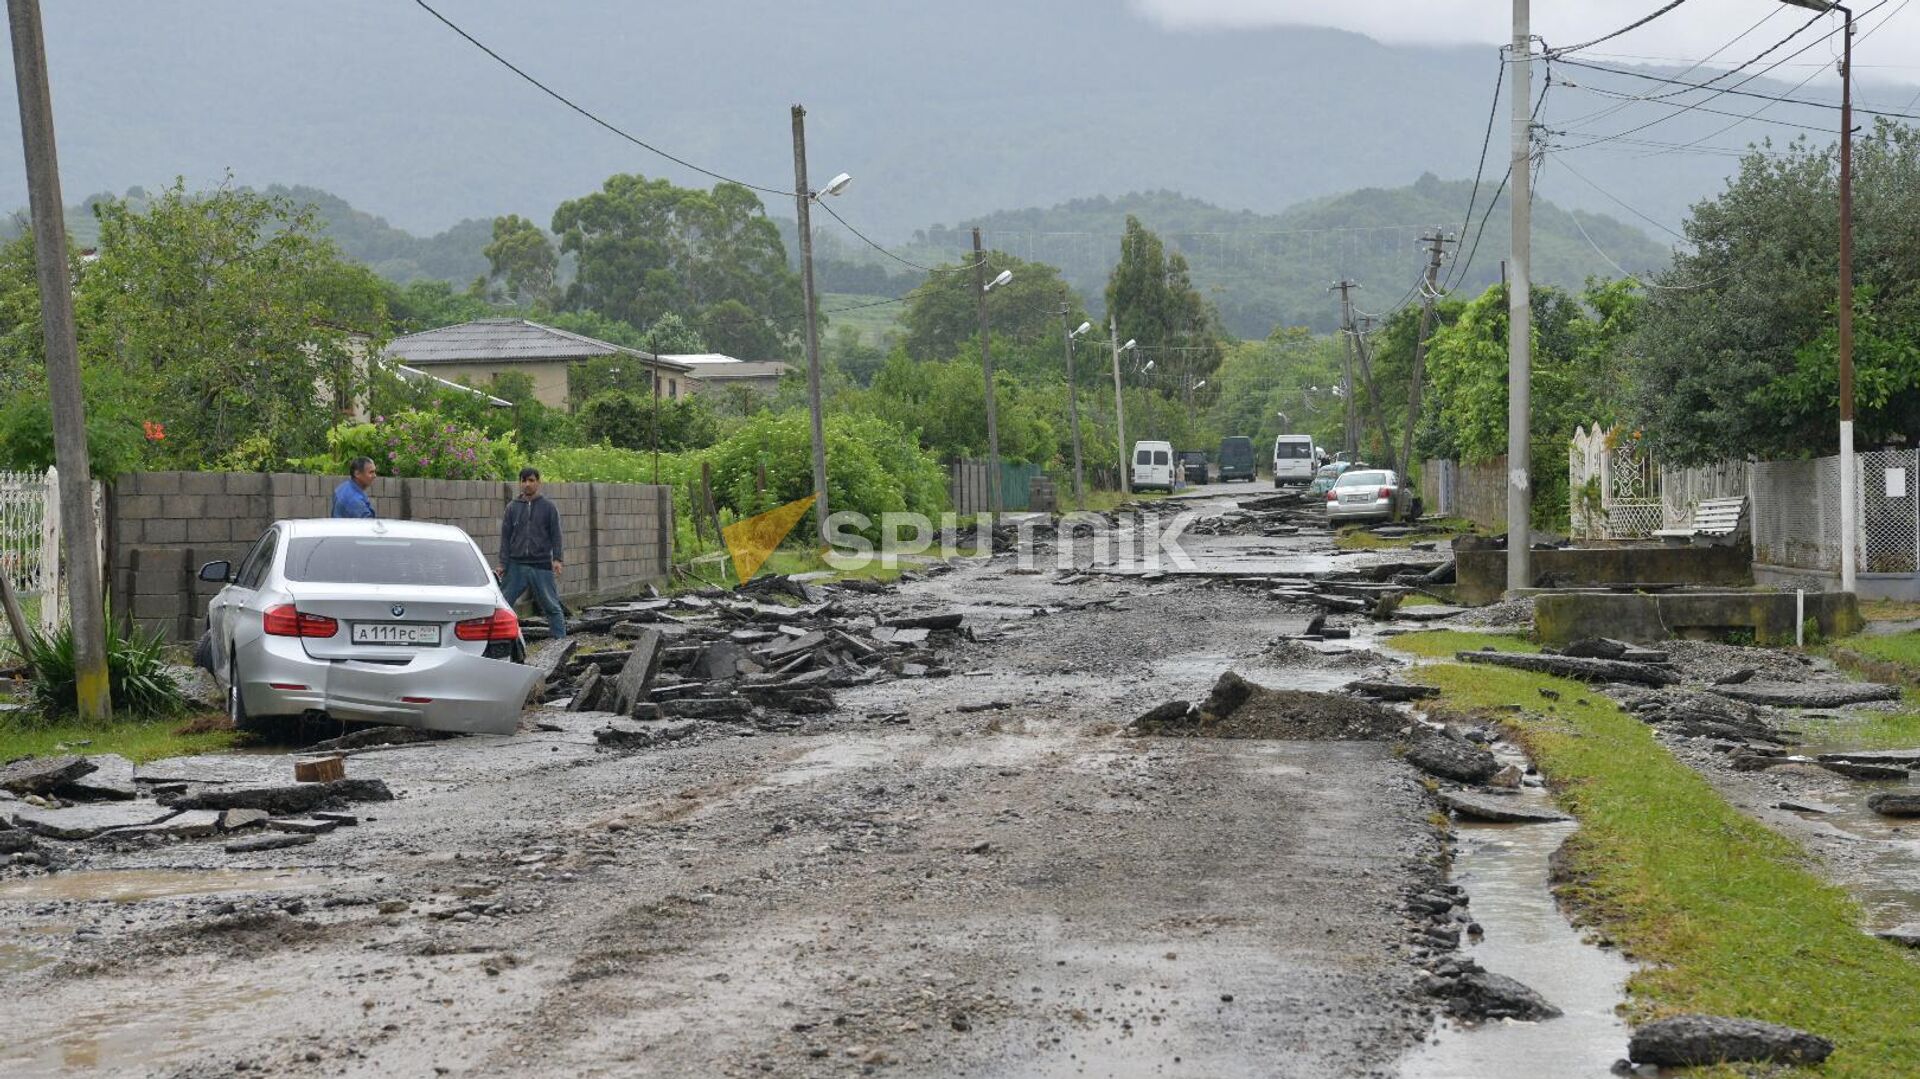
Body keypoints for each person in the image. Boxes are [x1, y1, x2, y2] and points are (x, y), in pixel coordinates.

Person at [497, 466, 567, 638]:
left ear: (538, 482)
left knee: (552, 606)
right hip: (516, 565)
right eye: (523, 481)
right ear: (519, 483)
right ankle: (500, 643)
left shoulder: (548, 507)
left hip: (541, 565)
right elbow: (505, 537)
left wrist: (557, 559)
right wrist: (502, 563)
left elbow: (556, 534)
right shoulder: (512, 508)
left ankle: (561, 643)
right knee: (502, 606)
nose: (527, 484)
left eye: (531, 480)